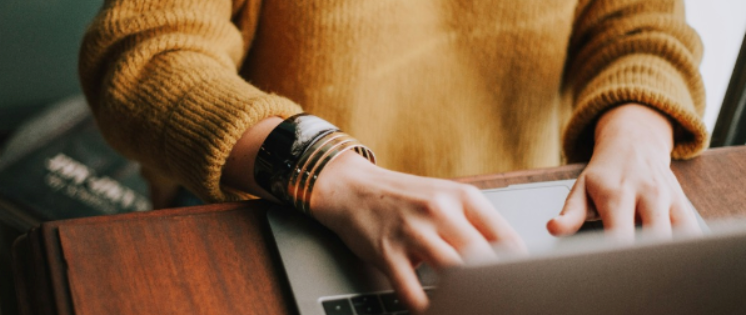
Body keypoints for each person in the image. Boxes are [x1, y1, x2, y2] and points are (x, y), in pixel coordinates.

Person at [79, 0, 708, 312]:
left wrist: (638, 132)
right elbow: (144, 52)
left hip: (515, 228)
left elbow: (641, 23)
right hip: (281, 214)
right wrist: (331, 172)